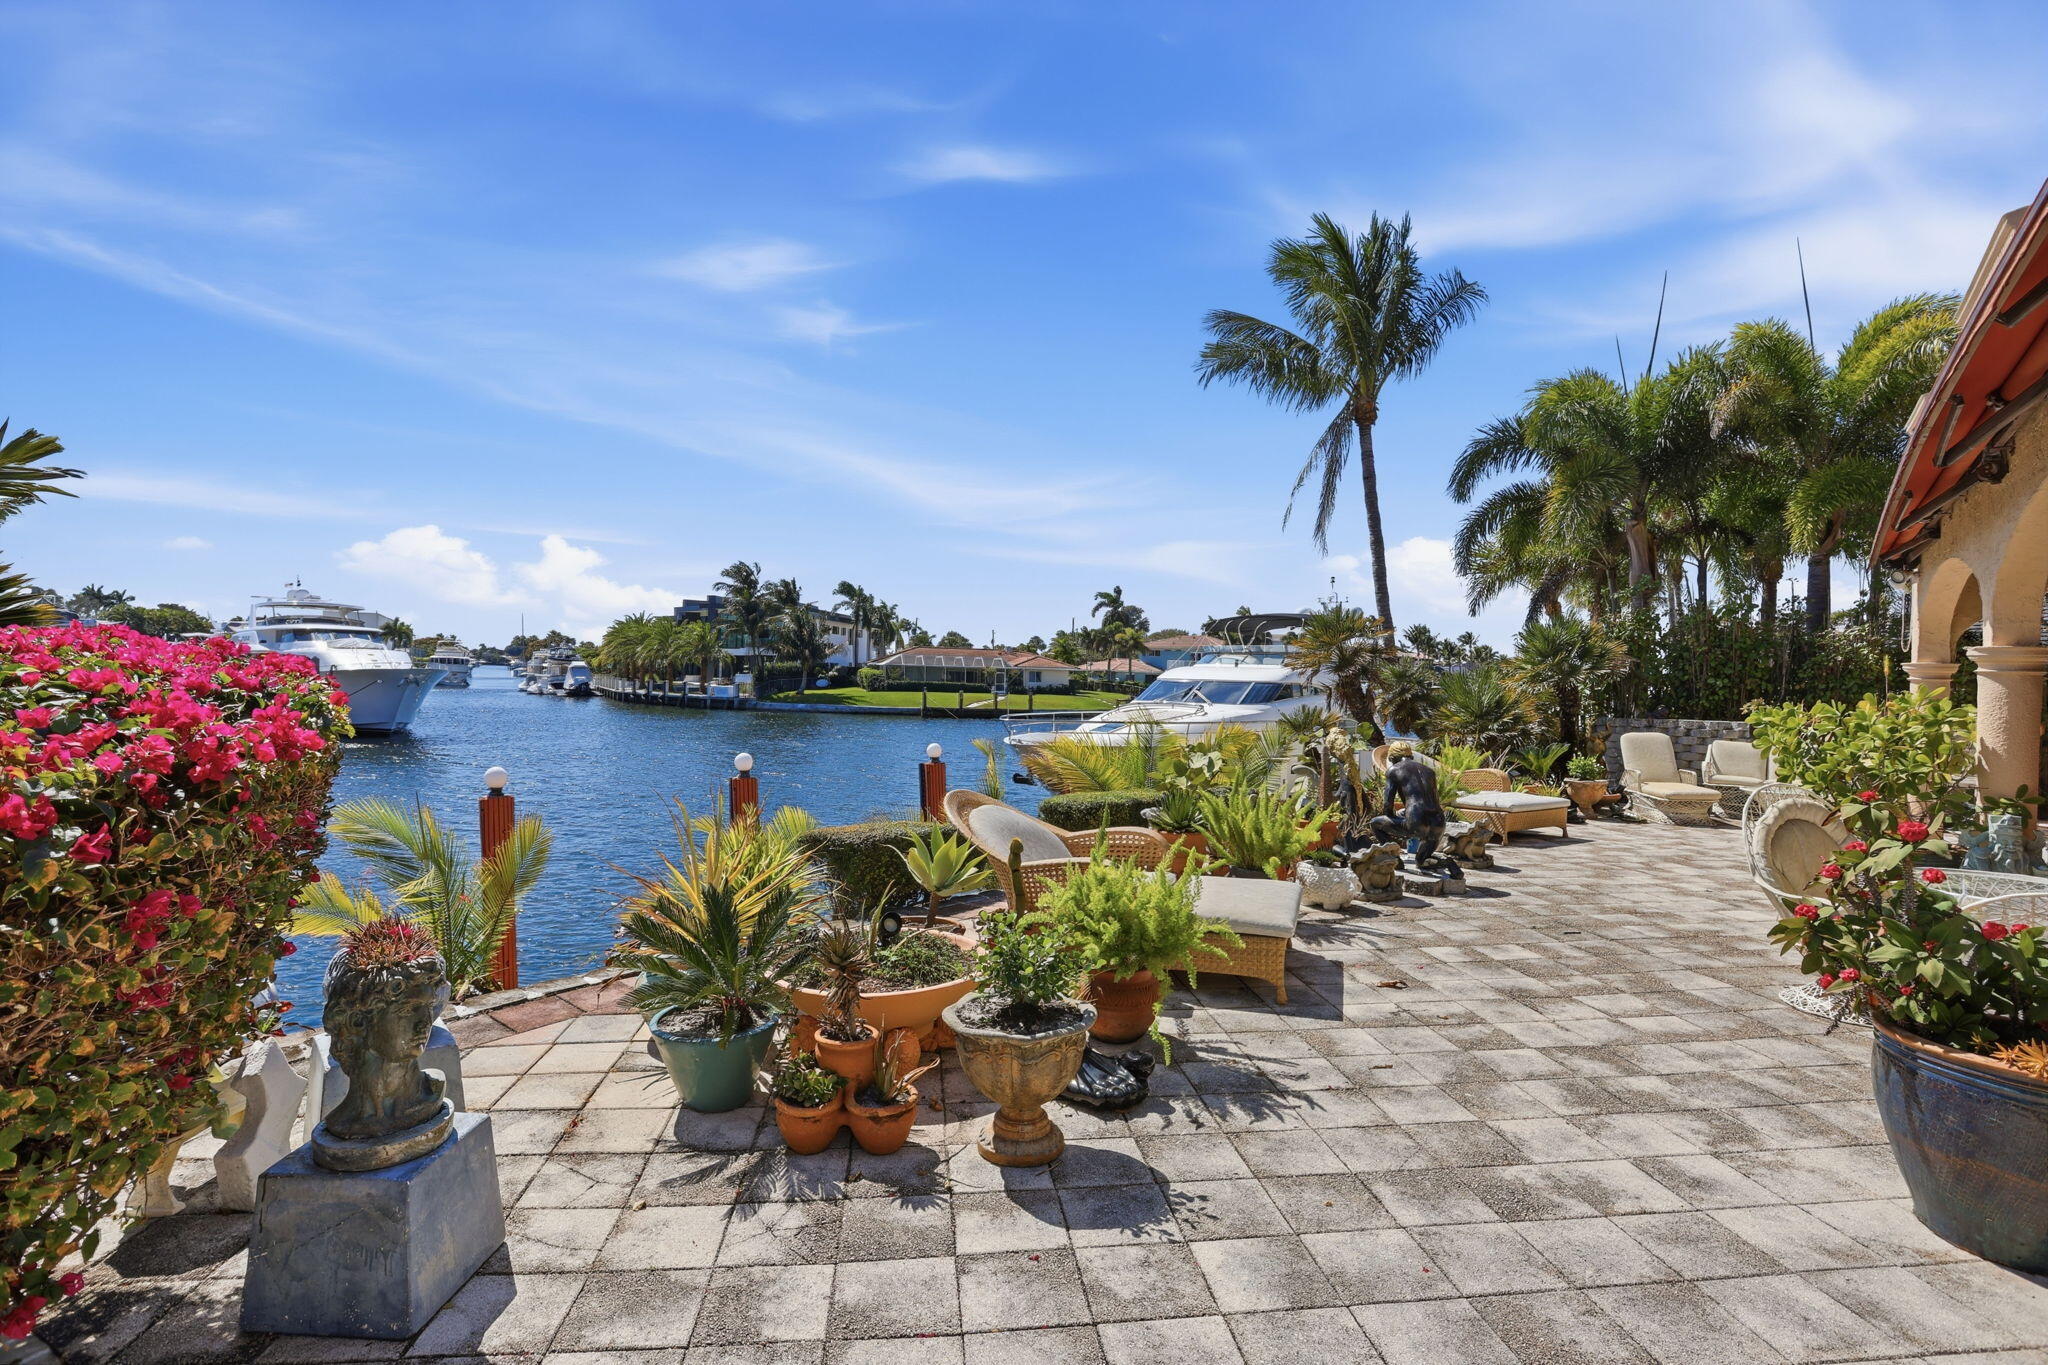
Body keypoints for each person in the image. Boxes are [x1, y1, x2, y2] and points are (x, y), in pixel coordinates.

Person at [1369, 741, 1447, 868]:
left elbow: (1388, 803)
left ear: (1392, 758)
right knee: (1421, 861)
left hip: (1417, 823)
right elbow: (1434, 799)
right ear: (1411, 756)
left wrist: (1390, 818)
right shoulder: (1429, 771)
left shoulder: (1394, 770)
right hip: (1439, 823)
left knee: (1375, 824)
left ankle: (1395, 859)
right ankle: (1449, 864)